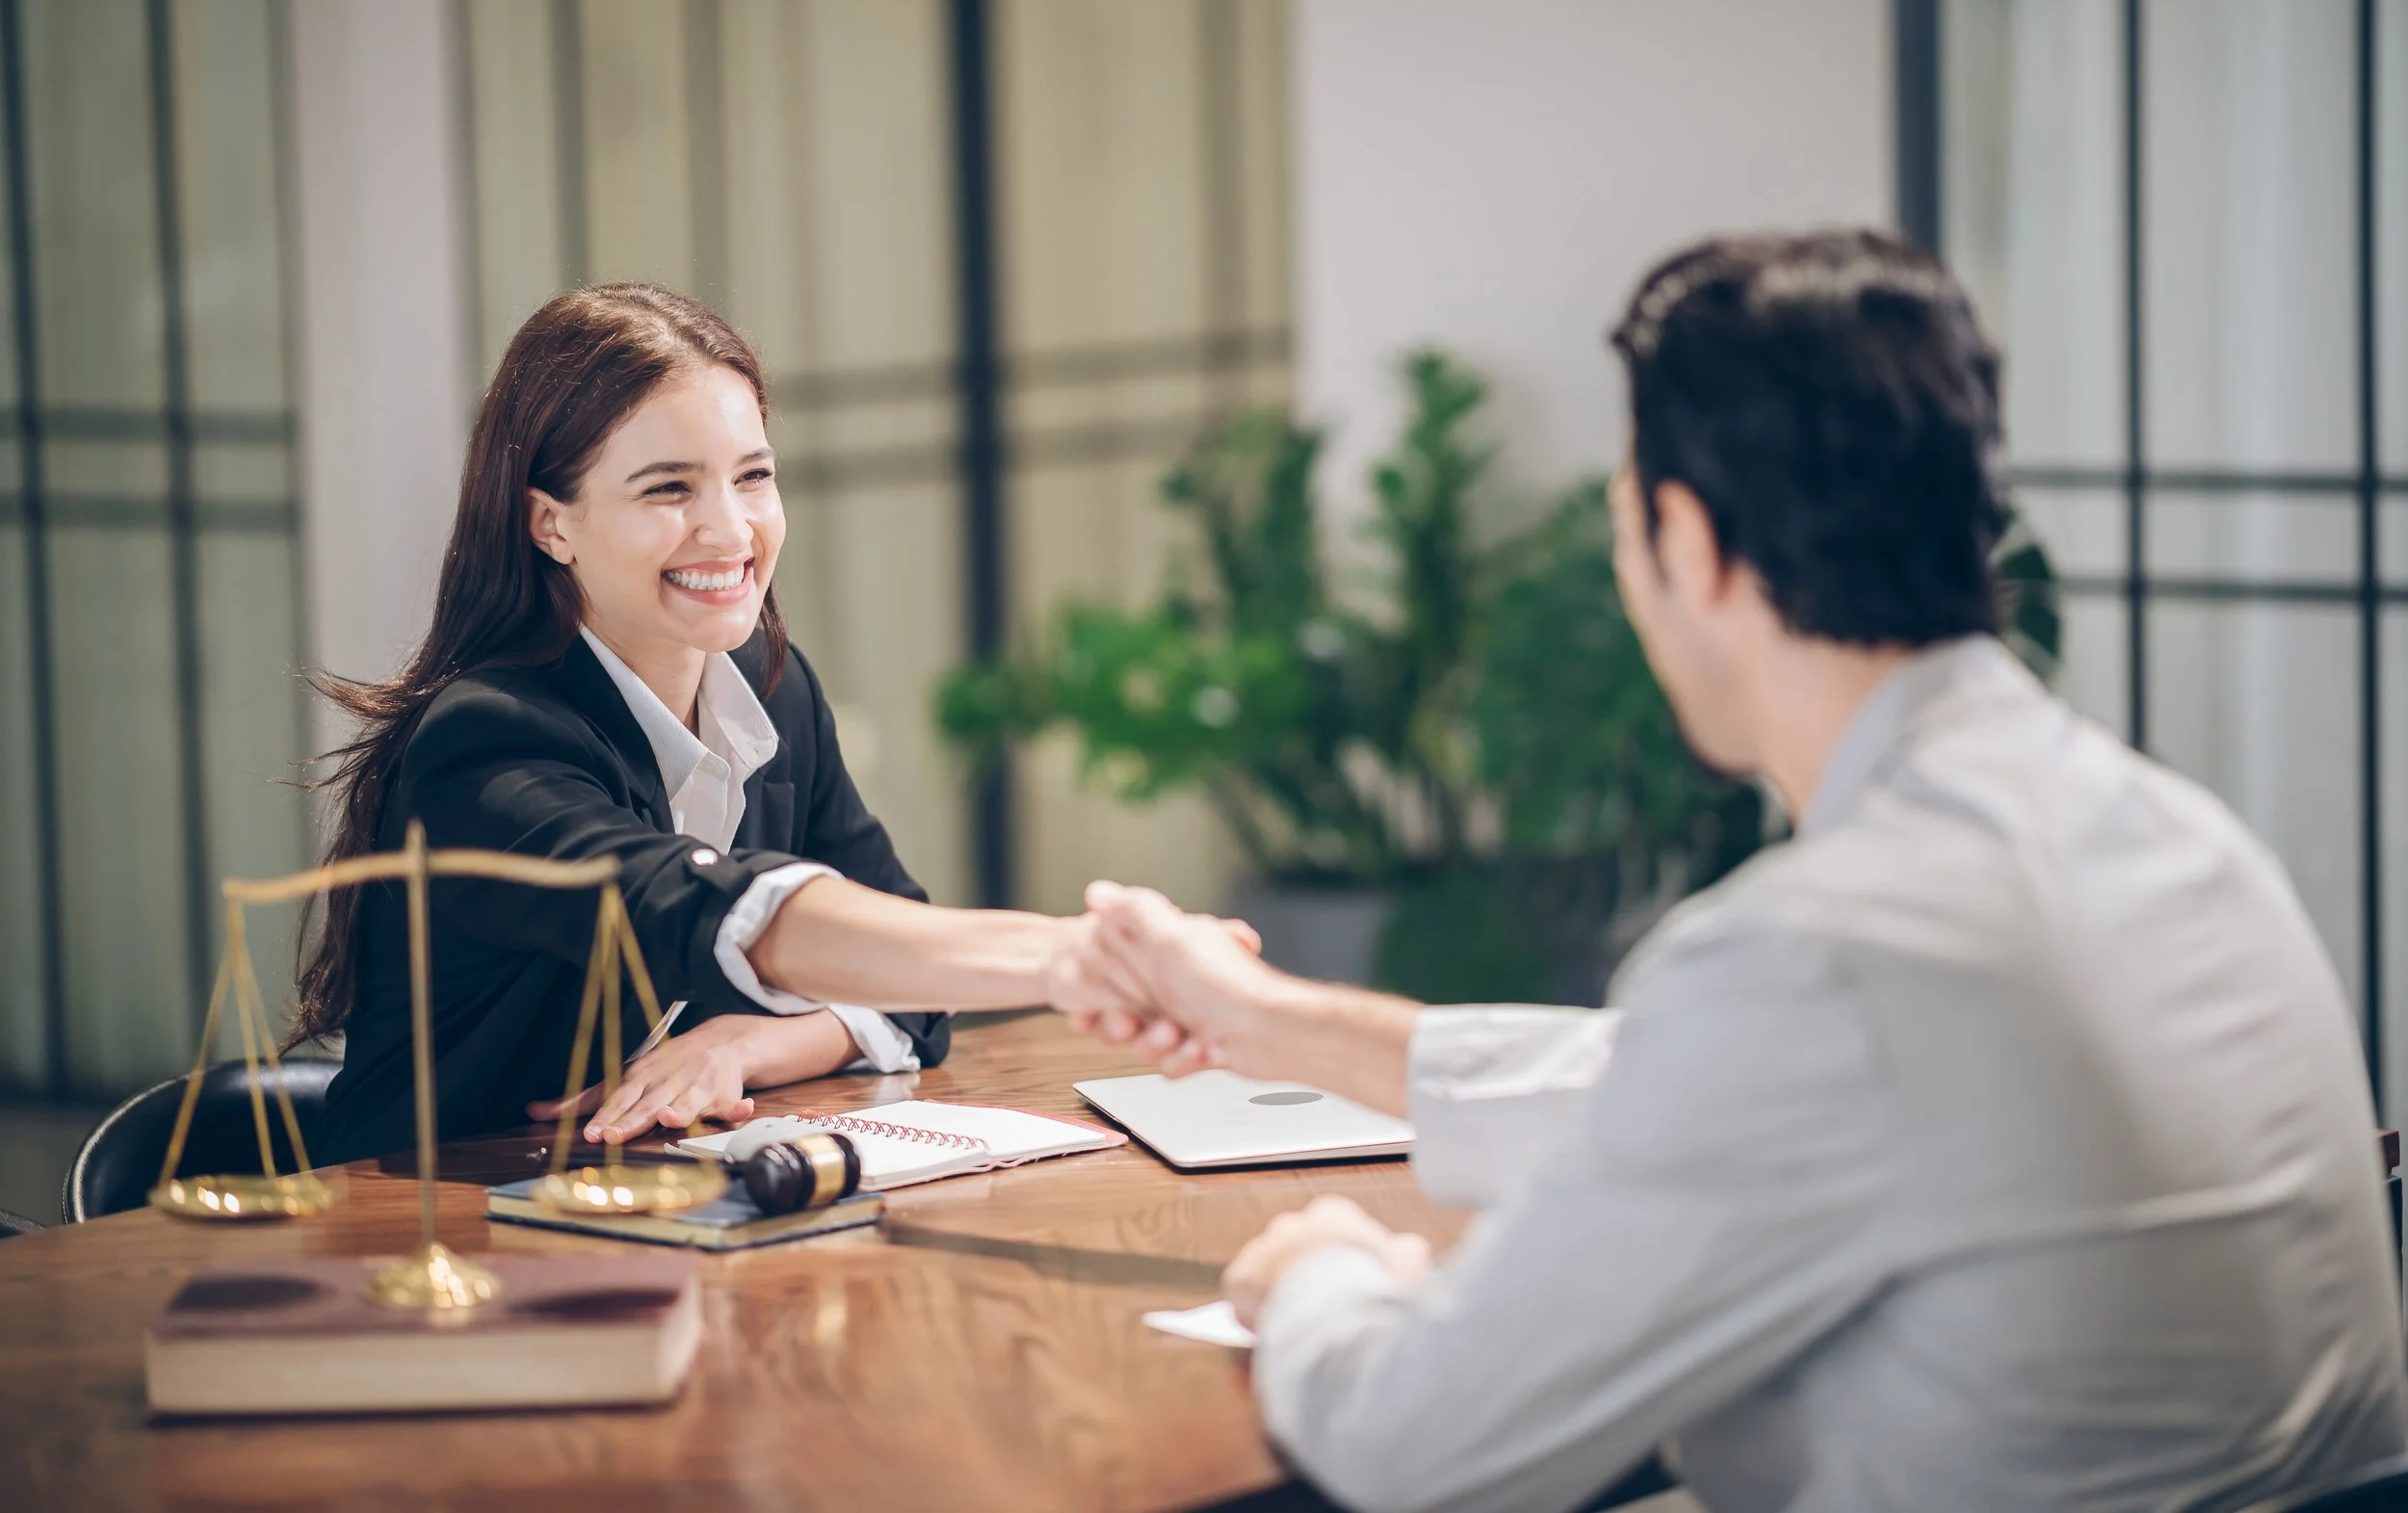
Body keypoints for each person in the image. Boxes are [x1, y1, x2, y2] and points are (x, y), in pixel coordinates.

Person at [1060, 232, 2408, 1512]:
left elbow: (1413, 1442)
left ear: (1689, 545)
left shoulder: (1822, 954)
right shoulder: (2178, 839)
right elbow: (1708, 1090)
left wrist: (1322, 1277)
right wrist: (1256, 1017)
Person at [304, 285, 1097, 1164]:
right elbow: (697, 910)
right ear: (551, 524)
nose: (730, 530)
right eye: (668, 488)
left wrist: (747, 1043)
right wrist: (1080, 957)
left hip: (652, 1209)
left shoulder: (773, 689)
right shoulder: (488, 742)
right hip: (433, 1237)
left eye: (753, 476)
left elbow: (907, 969)